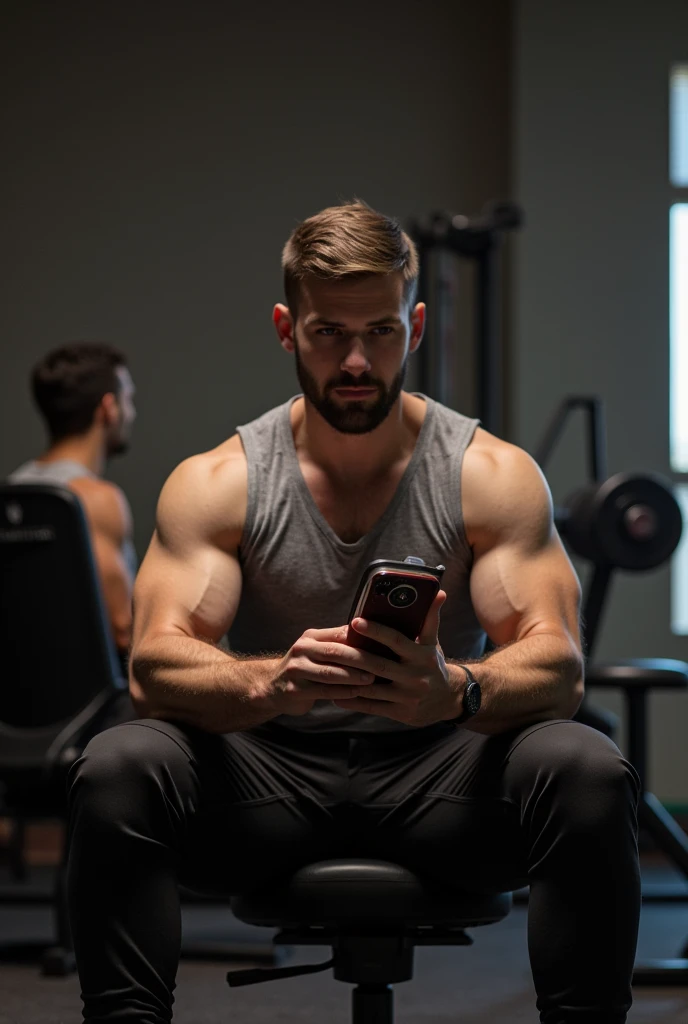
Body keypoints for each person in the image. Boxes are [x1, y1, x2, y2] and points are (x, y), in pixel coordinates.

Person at [67, 201, 640, 1024]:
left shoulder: (490, 474)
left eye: (379, 331)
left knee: (587, 768)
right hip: (270, 780)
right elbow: (155, 665)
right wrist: (270, 685)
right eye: (329, 333)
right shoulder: (220, 481)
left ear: (415, 326)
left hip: (443, 775)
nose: (358, 361)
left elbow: (558, 665)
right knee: (118, 764)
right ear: (285, 328)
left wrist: (459, 692)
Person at [9, 342, 138, 664]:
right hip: (98, 706)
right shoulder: (96, 499)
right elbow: (124, 630)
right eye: (129, 400)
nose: (132, 412)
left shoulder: (12, 493)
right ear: (108, 408)